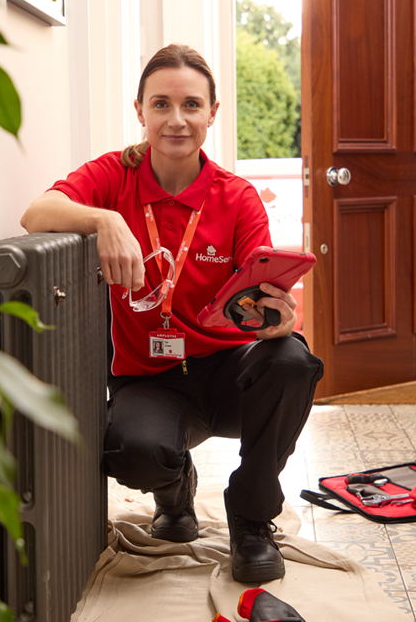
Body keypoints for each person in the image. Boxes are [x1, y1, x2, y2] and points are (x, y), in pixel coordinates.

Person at [20, 44, 324, 583]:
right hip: (149, 377)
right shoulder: (114, 175)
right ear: (140, 110)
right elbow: (36, 213)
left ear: (212, 113)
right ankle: (175, 490)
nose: (176, 119)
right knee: (129, 450)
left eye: (191, 105)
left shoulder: (237, 197)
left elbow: (267, 300)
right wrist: (105, 220)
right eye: (161, 104)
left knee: (292, 359)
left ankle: (252, 519)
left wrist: (278, 320)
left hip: (228, 371)